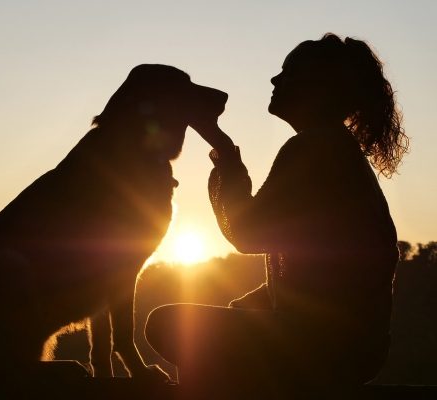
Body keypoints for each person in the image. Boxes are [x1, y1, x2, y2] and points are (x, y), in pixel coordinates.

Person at [146, 33, 408, 395]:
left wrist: (222, 148)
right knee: (201, 331)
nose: (275, 80)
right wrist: (240, 311)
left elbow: (246, 232)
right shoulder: (333, 148)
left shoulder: (315, 147)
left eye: (288, 72)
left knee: (168, 323)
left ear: (317, 88)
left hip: (324, 349)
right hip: (352, 349)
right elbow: (311, 278)